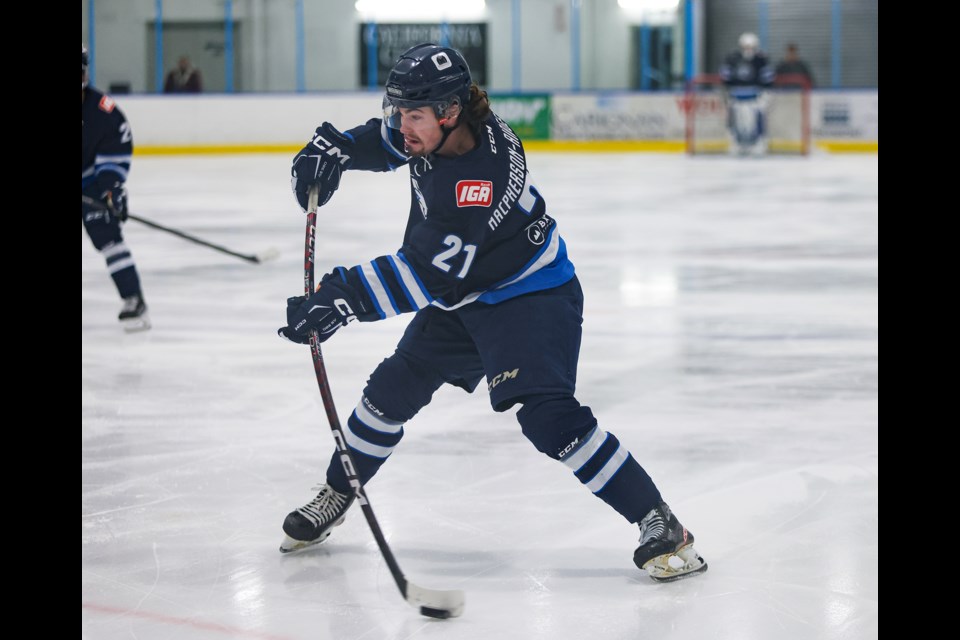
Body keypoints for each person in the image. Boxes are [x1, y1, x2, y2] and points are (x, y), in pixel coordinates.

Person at [275, 43, 708, 583]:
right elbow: (390, 142)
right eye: (399, 110)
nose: (402, 125)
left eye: (413, 115)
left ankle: (660, 522)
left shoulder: (478, 177)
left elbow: (425, 273)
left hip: (529, 296)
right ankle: (339, 493)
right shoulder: (439, 125)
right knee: (388, 393)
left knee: (548, 419)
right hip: (465, 292)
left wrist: (341, 298)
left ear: (450, 112)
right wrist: (339, 149)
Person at [82, 45, 150, 331]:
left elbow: (114, 152)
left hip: (91, 183)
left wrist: (112, 189)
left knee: (108, 239)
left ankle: (134, 299)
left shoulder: (103, 111)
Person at [718, 32, 775, 155]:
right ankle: (736, 142)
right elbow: (725, 77)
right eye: (746, 47)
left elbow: (768, 78)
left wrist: (766, 94)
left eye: (751, 47)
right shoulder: (732, 58)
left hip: (755, 96)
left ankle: (759, 141)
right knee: (735, 119)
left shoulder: (761, 59)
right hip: (736, 95)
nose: (748, 50)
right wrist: (727, 92)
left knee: (758, 118)